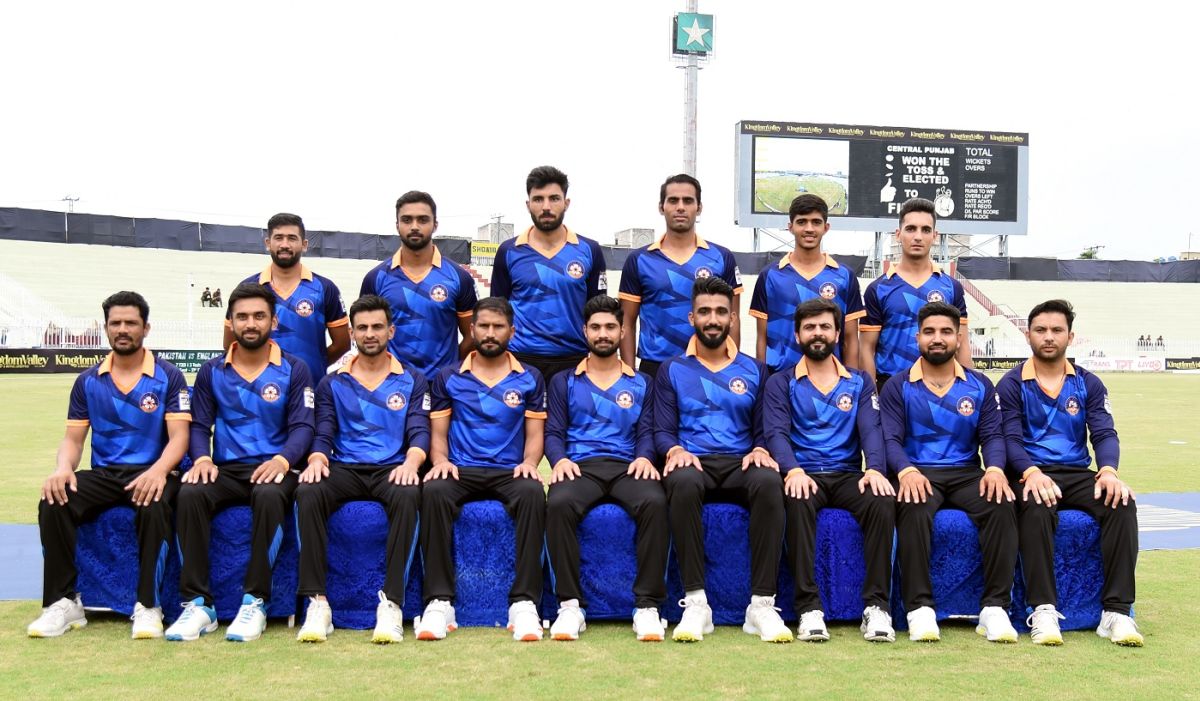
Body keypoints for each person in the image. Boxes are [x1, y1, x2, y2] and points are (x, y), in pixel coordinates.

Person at [28, 292, 190, 640]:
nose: (122, 329)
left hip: (153, 469)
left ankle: (148, 606)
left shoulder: (169, 376)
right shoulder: (88, 380)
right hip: (105, 474)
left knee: (154, 502)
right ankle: (63, 602)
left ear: (146, 328)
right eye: (115, 323)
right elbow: (73, 439)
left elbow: (179, 437)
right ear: (105, 329)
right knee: (55, 499)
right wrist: (63, 468)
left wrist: (159, 471)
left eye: (130, 322)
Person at [165, 283, 315, 643]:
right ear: (230, 322)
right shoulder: (211, 371)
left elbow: (303, 427)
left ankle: (255, 603)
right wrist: (201, 458)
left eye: (259, 316)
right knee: (189, 494)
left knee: (268, 495)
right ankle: (198, 605)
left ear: (273, 322)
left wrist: (282, 460)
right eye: (243, 316)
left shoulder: (295, 370)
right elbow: (200, 424)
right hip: (226, 469)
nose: (251, 323)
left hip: (275, 467)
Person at [997, 299, 1141, 646]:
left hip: (1077, 473)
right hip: (1029, 472)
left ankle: (1116, 612)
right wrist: (1030, 473)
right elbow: (1010, 439)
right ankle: (1043, 610)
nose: (1049, 337)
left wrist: (1108, 471)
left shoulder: (1089, 384)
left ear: (1070, 336)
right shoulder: (1011, 384)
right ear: (1028, 335)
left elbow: (1104, 433)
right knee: (1035, 507)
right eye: (1041, 330)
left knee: (1121, 504)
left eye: (1056, 330)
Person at [653, 276, 787, 643]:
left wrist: (761, 448)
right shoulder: (671, 369)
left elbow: (765, 427)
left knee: (769, 482)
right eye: (704, 312)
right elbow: (662, 430)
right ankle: (697, 604)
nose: (713, 319)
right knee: (680, 481)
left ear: (732, 317)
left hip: (740, 461)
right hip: (693, 460)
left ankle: (761, 605)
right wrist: (674, 450)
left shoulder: (755, 370)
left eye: (720, 312)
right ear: (691, 317)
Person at [294, 295, 430, 644]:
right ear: (351, 332)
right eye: (363, 328)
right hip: (346, 467)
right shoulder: (332, 382)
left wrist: (412, 463)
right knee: (308, 491)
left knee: (408, 493)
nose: (370, 334)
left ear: (391, 330)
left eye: (377, 327)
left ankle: (392, 605)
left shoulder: (413, 379)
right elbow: (323, 433)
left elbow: (419, 431)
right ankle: (317, 603)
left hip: (392, 467)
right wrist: (317, 460)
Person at [879, 301, 1017, 643]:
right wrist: (906, 471)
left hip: (966, 472)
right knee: (912, 509)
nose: (937, 339)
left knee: (1001, 505)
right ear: (917, 338)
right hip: (918, 471)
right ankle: (919, 609)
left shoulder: (979, 384)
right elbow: (890, 439)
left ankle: (995, 608)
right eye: (929, 332)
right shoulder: (898, 385)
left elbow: (992, 436)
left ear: (958, 338)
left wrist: (997, 469)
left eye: (945, 332)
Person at [762, 298, 896, 643]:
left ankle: (877, 607)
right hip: (804, 474)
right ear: (797, 335)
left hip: (847, 473)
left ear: (838, 333)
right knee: (796, 498)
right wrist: (791, 471)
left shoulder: (860, 381)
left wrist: (877, 469)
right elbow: (776, 433)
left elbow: (871, 429)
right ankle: (808, 609)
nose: (817, 333)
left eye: (825, 326)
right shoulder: (781, 382)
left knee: (881, 500)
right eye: (810, 327)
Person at [415, 297, 548, 642]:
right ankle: (439, 602)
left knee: (533, 492)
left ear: (511, 331)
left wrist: (530, 464)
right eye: (484, 326)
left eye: (498, 327)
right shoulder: (448, 377)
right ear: (471, 330)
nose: (490, 334)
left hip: (510, 471)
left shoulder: (530, 378)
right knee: (433, 490)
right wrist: (441, 461)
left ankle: (524, 604)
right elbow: (439, 434)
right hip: (462, 468)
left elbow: (535, 437)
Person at [544, 295, 668, 642]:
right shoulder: (564, 381)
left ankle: (647, 607)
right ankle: (570, 606)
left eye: (610, 327)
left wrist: (645, 457)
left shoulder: (642, 382)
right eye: (595, 327)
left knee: (656, 503)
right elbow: (554, 432)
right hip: (580, 466)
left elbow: (647, 430)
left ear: (623, 330)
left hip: (627, 466)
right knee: (558, 504)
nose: (603, 334)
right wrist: (560, 460)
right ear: (584, 331)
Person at [619, 174, 743, 378]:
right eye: (673, 200)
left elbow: (734, 320)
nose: (680, 207)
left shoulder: (722, 257)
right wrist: (629, 376)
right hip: (655, 368)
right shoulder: (639, 260)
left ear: (699, 207)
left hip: (708, 367)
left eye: (688, 201)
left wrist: (730, 368)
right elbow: (627, 323)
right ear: (661, 207)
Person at [490, 166, 607, 382]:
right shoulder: (508, 251)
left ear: (566, 203)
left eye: (554, 198)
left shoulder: (589, 250)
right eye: (538, 199)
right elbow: (497, 311)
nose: (546, 207)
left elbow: (598, 310)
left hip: (574, 360)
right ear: (528, 205)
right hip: (520, 360)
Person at [360, 191, 477, 379]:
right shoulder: (376, 278)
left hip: (442, 386)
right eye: (407, 220)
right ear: (397, 225)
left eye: (423, 220)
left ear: (435, 224)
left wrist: (450, 367)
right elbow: (365, 333)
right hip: (392, 385)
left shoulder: (459, 277)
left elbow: (473, 335)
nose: (414, 226)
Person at [860, 198, 970, 390]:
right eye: (911, 229)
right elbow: (867, 349)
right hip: (891, 387)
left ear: (935, 236)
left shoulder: (951, 287)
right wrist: (871, 397)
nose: (918, 236)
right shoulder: (878, 289)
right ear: (898, 234)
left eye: (925, 230)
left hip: (941, 387)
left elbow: (962, 344)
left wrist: (970, 389)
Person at [226, 213, 349, 383]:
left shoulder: (325, 288)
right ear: (268, 243)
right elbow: (229, 343)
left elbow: (342, 344)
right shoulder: (247, 288)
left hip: (310, 388)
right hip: (262, 388)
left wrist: (314, 366)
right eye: (278, 238)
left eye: (292, 238)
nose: (285, 244)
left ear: (304, 245)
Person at [750, 194, 864, 373]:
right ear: (790, 227)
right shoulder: (770, 276)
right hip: (780, 379)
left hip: (831, 383)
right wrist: (763, 383)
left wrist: (852, 384)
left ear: (826, 227)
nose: (809, 228)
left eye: (816, 222)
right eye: (802, 222)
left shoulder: (845, 276)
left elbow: (850, 339)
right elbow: (762, 338)